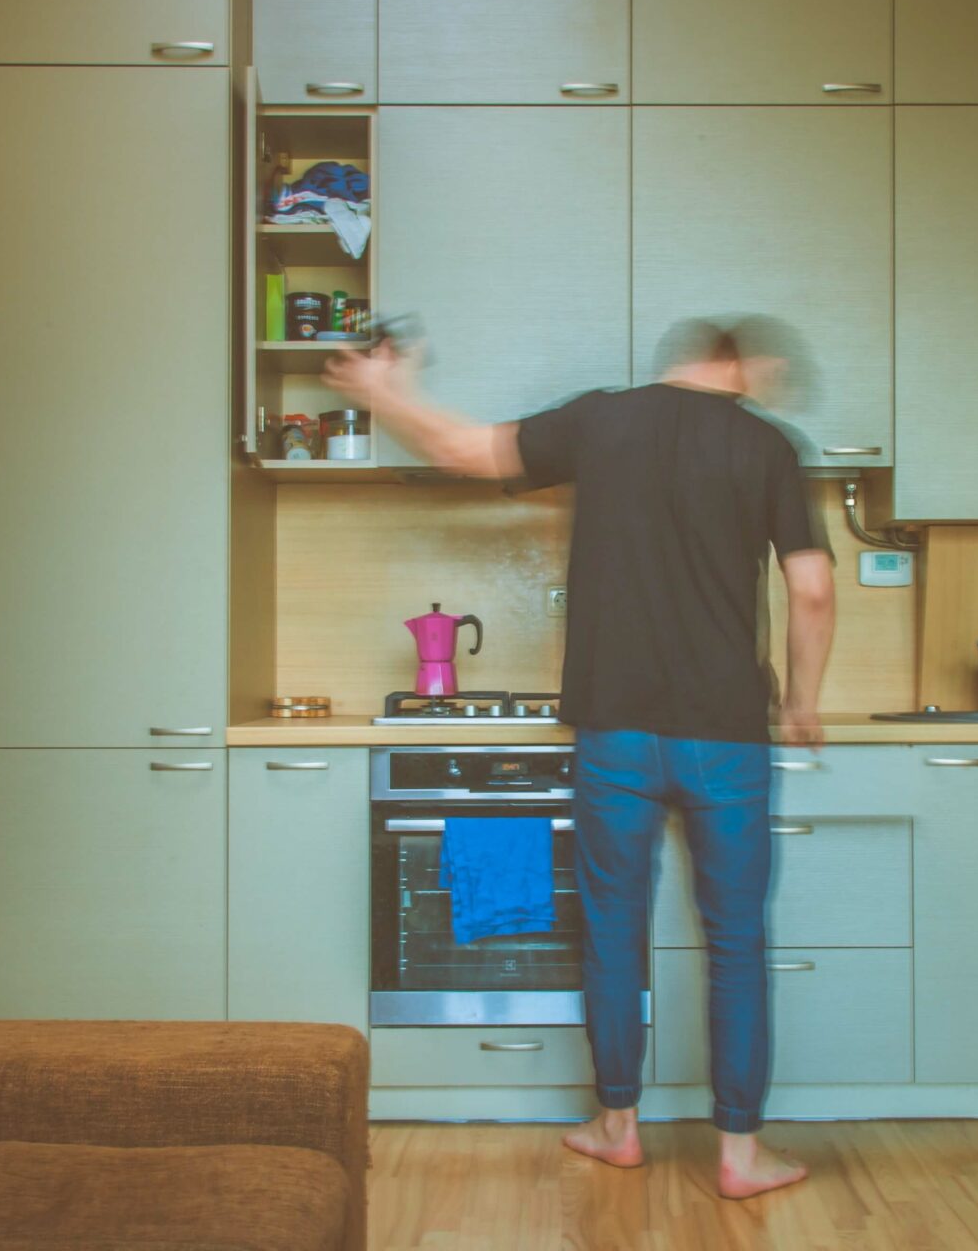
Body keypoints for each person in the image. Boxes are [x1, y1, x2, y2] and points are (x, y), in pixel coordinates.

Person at [324, 317, 836, 1201]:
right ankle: (741, 1155)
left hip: (615, 731)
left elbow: (461, 449)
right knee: (737, 943)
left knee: (613, 927)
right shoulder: (767, 446)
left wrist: (383, 390)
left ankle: (618, 1127)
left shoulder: (604, 420)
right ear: (739, 367)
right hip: (727, 736)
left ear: (675, 360)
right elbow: (815, 588)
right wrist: (801, 700)